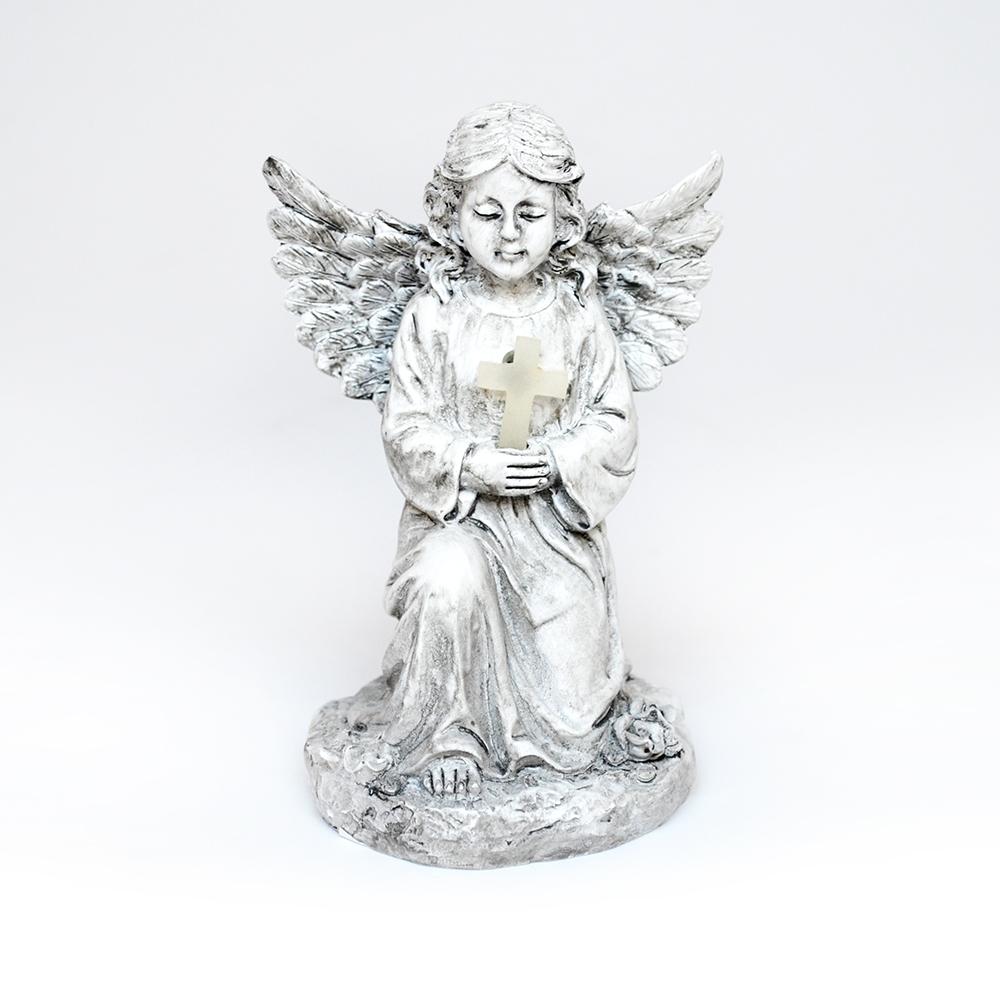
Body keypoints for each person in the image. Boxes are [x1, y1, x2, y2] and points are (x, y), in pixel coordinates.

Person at [374, 103, 639, 797]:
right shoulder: (435, 315)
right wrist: (472, 464)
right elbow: (406, 426)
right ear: (452, 217)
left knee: (573, 714)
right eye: (488, 213)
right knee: (448, 579)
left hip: (552, 533)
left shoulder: (578, 315)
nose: (511, 232)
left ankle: (556, 717)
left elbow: (614, 421)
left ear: (563, 218)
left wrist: (557, 461)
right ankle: (448, 733)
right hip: (461, 521)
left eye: (531, 212)